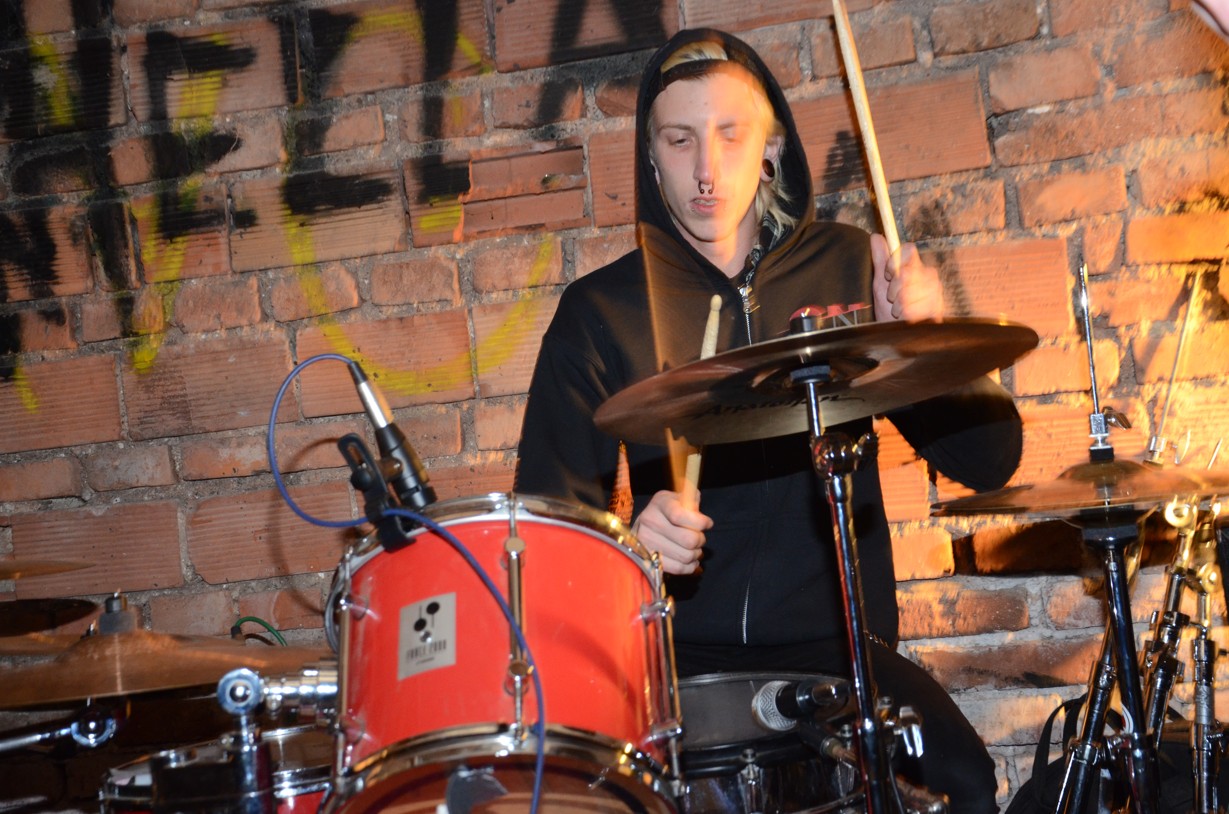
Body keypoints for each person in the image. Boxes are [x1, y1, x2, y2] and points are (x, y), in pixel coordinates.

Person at [516, 28, 1022, 813]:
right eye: (678, 140)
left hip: (842, 653)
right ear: (649, 156)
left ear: (771, 148)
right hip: (672, 660)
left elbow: (989, 463)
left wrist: (922, 337)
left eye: (730, 135)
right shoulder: (599, 311)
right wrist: (627, 547)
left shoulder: (852, 265)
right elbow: (544, 535)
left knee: (961, 785)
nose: (705, 170)